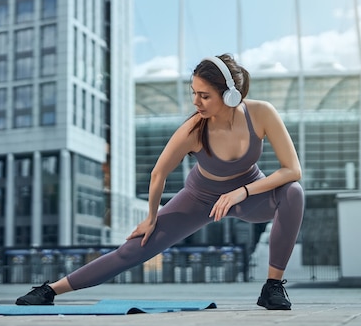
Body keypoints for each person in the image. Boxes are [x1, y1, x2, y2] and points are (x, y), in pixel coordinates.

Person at [16, 54, 304, 310]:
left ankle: (272, 287)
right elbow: (158, 174)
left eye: (204, 95)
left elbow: (292, 170)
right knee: (131, 251)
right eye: (194, 93)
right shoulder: (193, 129)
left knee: (293, 193)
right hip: (200, 197)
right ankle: (49, 290)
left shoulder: (262, 113)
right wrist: (151, 218)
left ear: (229, 95)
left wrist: (242, 192)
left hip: (250, 197)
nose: (196, 102)